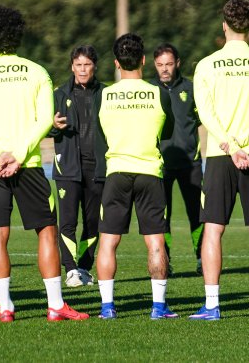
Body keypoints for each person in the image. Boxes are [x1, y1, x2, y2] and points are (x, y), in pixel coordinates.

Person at [0, 6, 87, 322]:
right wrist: (17, 153)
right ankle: (56, 305)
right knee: (46, 231)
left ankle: (5, 308)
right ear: (18, 33)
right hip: (26, 164)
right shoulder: (36, 71)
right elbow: (45, 119)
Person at [191, 0, 249, 320]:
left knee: (213, 229)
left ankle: (212, 306)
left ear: (224, 24)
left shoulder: (207, 64)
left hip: (219, 154)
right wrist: (243, 142)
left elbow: (205, 114)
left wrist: (229, 143)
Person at [94, 33, 176, 319]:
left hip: (116, 171)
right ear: (143, 60)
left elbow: (100, 133)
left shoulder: (103, 94)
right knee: (155, 241)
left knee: (108, 241)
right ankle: (158, 306)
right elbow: (167, 132)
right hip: (150, 172)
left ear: (117, 63)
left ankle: (107, 307)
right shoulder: (159, 92)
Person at [49, 44, 106, 288]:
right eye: (78, 65)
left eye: (87, 65)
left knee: (94, 222)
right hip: (68, 167)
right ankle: (70, 269)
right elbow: (44, 126)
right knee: (68, 221)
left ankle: (84, 268)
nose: (83, 70)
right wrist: (53, 126)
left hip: (98, 168)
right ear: (72, 66)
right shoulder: (59, 94)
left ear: (95, 66)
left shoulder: (106, 93)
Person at [152, 43, 203, 273]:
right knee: (163, 216)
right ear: (154, 65)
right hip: (159, 163)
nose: (165, 69)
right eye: (161, 64)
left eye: (169, 64)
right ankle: (166, 261)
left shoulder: (191, 89)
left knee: (198, 214)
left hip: (190, 162)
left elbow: (201, 119)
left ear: (178, 63)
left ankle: (203, 258)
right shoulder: (149, 90)